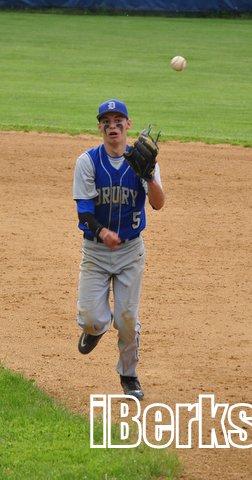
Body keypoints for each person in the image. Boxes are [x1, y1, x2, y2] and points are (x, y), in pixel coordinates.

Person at [73, 99, 165, 400]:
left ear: (128, 125)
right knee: (92, 319)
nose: (112, 126)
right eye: (106, 122)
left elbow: (158, 203)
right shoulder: (88, 162)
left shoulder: (144, 161)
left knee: (126, 318)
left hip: (130, 252)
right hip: (96, 252)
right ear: (100, 127)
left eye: (118, 121)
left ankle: (129, 375)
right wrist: (103, 232)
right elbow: (84, 212)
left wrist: (149, 176)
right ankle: (95, 330)